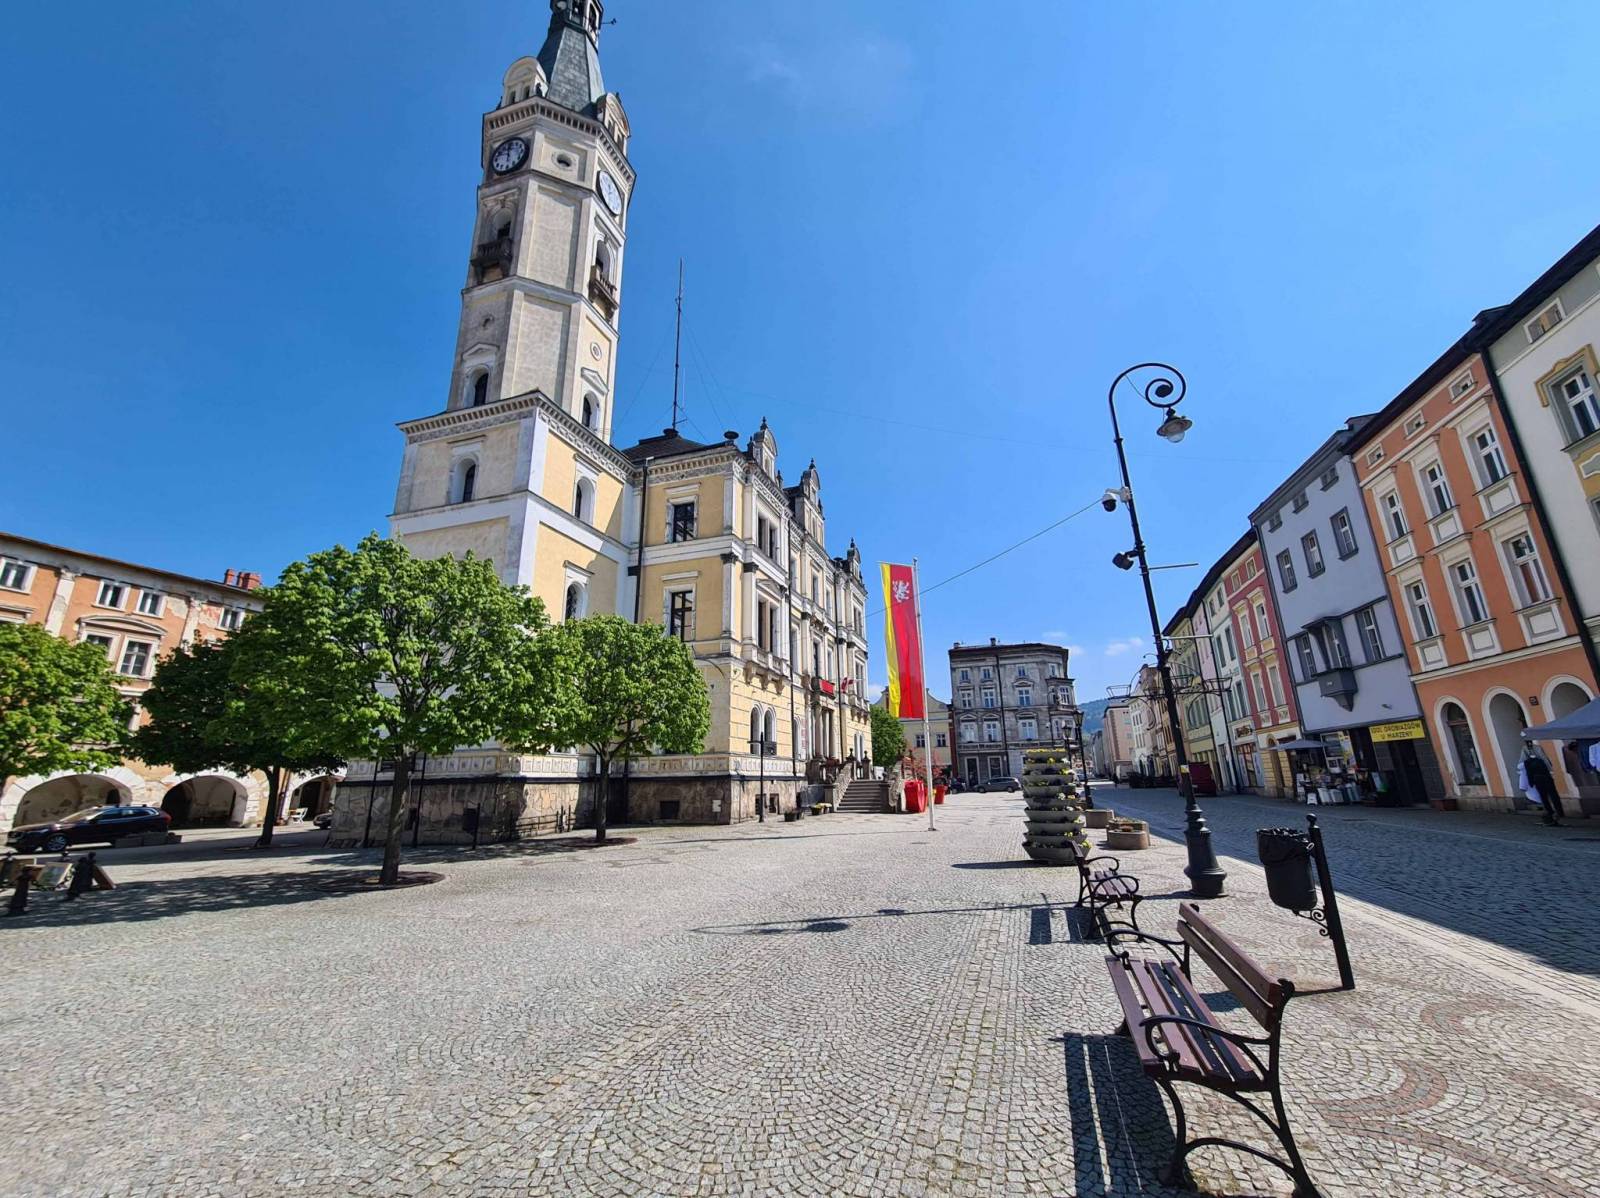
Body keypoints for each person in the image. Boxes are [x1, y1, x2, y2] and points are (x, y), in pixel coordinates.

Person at [1520, 746, 1564, 826]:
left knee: (1544, 796)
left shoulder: (1527, 762)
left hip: (1538, 779)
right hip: (1546, 777)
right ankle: (1558, 812)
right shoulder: (1541, 759)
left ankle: (1550, 812)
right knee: (1553, 795)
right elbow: (1548, 764)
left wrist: (1531, 782)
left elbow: (1529, 773)